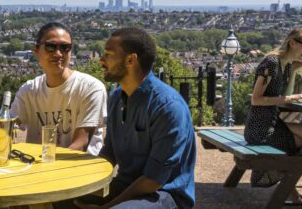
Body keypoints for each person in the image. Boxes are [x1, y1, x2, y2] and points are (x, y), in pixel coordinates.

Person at [74, 27, 196, 209]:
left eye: (108, 54)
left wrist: (107, 207)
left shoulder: (168, 107)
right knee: (57, 200)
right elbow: (108, 154)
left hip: (164, 195)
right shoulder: (116, 97)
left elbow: (153, 180)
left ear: (131, 60)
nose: (101, 60)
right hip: (126, 186)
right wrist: (76, 181)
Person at [244, 28, 302, 208]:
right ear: (292, 43)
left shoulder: (286, 65)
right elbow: (256, 99)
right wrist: (289, 98)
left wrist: (295, 70)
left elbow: (283, 98)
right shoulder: (271, 62)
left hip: (272, 123)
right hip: (260, 129)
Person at [11, 22, 107, 155]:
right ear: (36, 51)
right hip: (38, 169)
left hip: (80, 171)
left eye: (65, 47)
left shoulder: (90, 88)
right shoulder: (28, 91)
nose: (58, 53)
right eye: (50, 47)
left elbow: (81, 144)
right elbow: (6, 129)